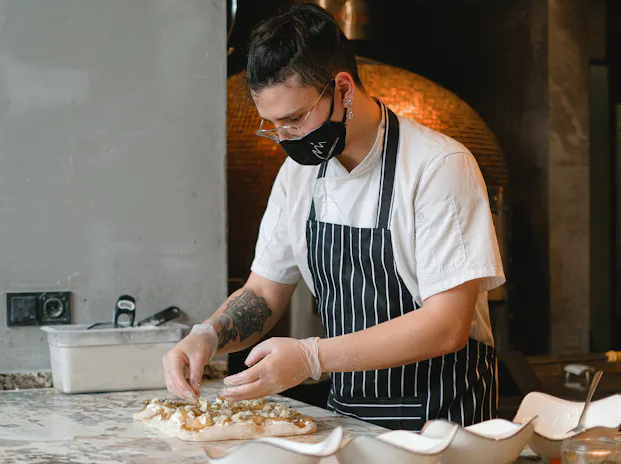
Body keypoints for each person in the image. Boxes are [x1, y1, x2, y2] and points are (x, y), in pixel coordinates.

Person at [162, 3, 505, 429]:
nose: (284, 138)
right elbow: (264, 294)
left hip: (443, 425)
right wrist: (207, 336)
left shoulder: (438, 165)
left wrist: (310, 357)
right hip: (351, 422)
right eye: (273, 126)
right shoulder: (297, 176)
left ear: (342, 89)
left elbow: (446, 324)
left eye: (294, 120)